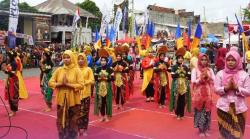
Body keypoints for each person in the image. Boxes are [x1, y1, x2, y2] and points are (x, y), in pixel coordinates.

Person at [214, 48, 250, 139]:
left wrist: (237, 88)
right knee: (224, 133)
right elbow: (216, 89)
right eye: (228, 60)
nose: (230, 62)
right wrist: (226, 88)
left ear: (238, 61)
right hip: (223, 108)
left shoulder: (244, 75)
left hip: (240, 109)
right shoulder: (220, 74)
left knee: (238, 134)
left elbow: (248, 92)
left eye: (233, 60)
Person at [48, 50, 84, 139]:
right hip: (61, 101)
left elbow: (81, 85)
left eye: (68, 57)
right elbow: (50, 82)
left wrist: (68, 85)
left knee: (73, 121)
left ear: (72, 58)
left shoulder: (77, 70)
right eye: (64, 58)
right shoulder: (59, 70)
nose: (66, 59)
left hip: (73, 101)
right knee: (61, 120)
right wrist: (60, 84)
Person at [191, 53, 215, 137]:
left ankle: (205, 129)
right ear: (199, 60)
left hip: (208, 94)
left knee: (207, 112)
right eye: (202, 59)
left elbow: (214, 80)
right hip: (199, 94)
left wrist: (208, 78)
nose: (204, 61)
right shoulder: (195, 70)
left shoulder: (210, 70)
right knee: (200, 112)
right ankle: (200, 130)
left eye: (205, 60)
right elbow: (193, 81)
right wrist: (201, 78)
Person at [169, 47, 191, 120]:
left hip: (184, 85)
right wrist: (179, 73)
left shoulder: (185, 67)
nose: (180, 59)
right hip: (176, 85)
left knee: (183, 100)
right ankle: (177, 114)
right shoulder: (174, 67)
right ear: (177, 59)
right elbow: (172, 76)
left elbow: (189, 75)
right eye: (179, 58)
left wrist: (185, 73)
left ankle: (182, 114)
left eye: (182, 58)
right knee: (177, 100)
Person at [94, 48, 114, 122]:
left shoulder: (110, 69)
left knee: (106, 102)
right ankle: (102, 115)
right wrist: (99, 79)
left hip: (107, 87)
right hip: (99, 87)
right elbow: (95, 78)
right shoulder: (97, 69)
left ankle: (106, 115)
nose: (103, 62)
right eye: (101, 60)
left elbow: (113, 78)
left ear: (107, 61)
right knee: (101, 102)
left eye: (104, 60)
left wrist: (106, 79)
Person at [77, 53, 94, 136]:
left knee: (85, 113)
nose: (80, 61)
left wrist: (84, 82)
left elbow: (92, 80)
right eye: (78, 59)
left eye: (82, 59)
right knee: (76, 113)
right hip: (76, 94)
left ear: (85, 60)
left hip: (85, 94)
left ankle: (84, 129)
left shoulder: (88, 69)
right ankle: (77, 129)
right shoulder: (75, 69)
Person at [2, 51, 19, 117]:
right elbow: (8, 72)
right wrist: (4, 70)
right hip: (10, 80)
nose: (7, 57)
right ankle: (12, 110)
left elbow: (13, 73)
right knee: (9, 95)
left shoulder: (14, 63)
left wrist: (5, 70)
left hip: (14, 81)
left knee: (13, 96)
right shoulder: (10, 63)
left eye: (8, 56)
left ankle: (14, 111)